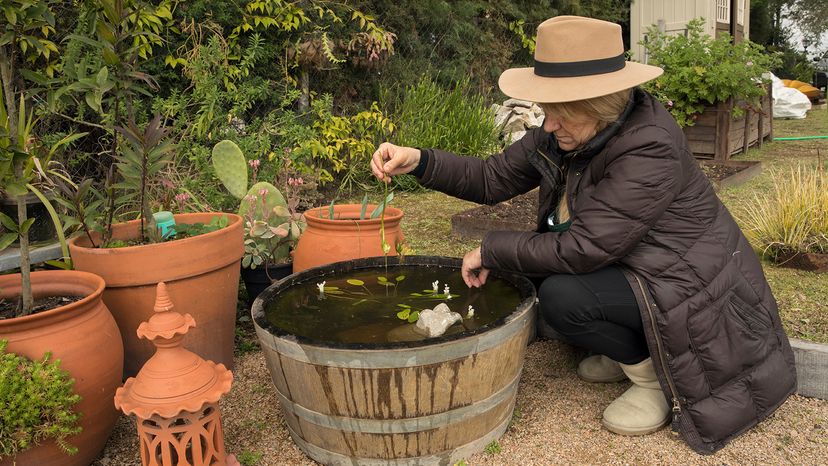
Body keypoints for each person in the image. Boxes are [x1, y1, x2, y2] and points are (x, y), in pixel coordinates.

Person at [370, 16, 796, 454]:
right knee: (531, 278)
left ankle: (652, 379)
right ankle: (627, 350)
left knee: (561, 298)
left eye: (559, 112)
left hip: (684, 283)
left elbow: (585, 248)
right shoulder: (571, 129)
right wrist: (419, 160)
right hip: (634, 262)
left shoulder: (649, 145)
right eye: (549, 110)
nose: (548, 125)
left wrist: (490, 248)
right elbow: (491, 178)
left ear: (601, 103)